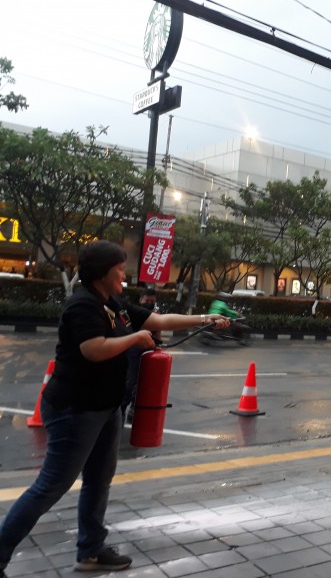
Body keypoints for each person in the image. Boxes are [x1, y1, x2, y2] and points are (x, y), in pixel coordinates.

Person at [0, 241, 230, 577]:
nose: (125, 273)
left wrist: (204, 318)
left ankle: (90, 551)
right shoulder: (82, 305)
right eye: (120, 268)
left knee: (98, 480)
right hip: (74, 408)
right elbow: (93, 349)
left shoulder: (114, 304)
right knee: (52, 484)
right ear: (103, 272)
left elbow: (159, 320)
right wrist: (135, 339)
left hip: (107, 407)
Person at [120, 287, 159, 421]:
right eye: (147, 300)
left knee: (143, 383)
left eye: (152, 301)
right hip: (134, 351)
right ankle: (122, 409)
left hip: (149, 352)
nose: (149, 303)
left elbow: (159, 330)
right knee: (130, 382)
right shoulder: (134, 313)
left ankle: (134, 409)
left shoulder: (156, 314)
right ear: (140, 300)